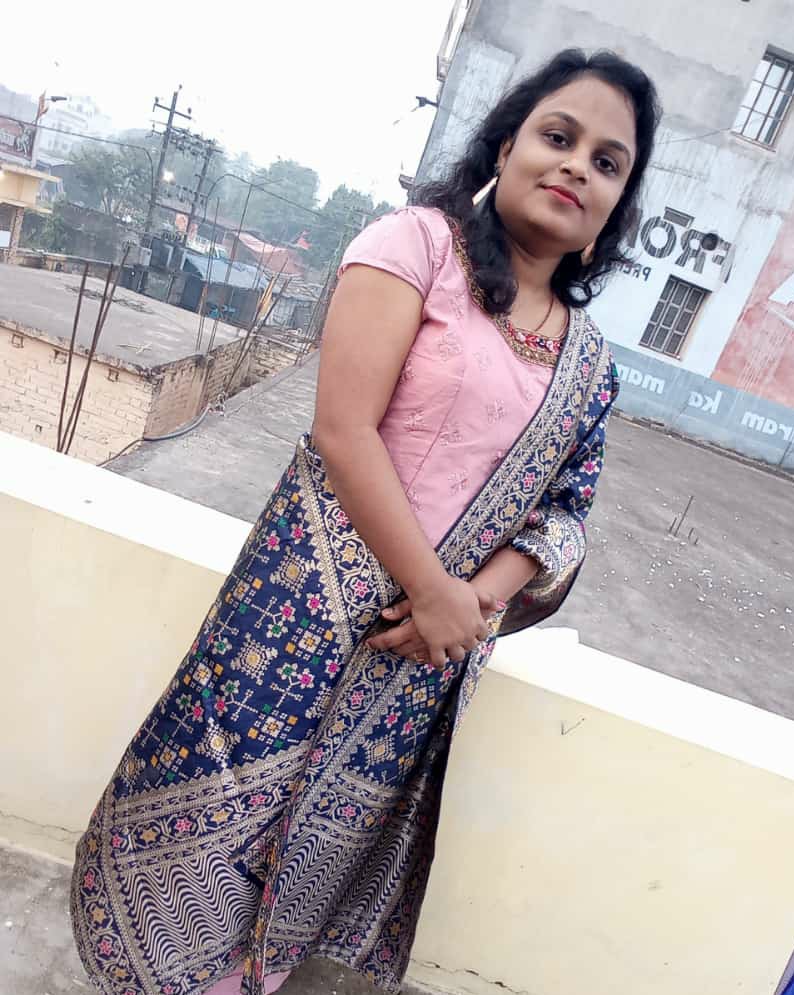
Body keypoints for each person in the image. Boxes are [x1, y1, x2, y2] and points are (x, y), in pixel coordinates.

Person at [71, 48, 660, 995]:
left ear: (616, 207)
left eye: (606, 162)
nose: (575, 166)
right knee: (211, 820)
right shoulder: (416, 247)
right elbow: (343, 431)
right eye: (558, 136)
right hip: (295, 619)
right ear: (505, 147)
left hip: (416, 666)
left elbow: (567, 513)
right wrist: (431, 591)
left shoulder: (590, 366)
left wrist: (468, 604)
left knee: (317, 861)